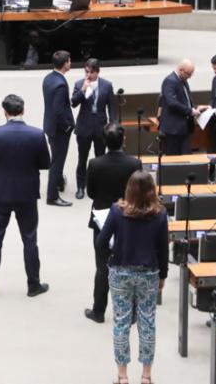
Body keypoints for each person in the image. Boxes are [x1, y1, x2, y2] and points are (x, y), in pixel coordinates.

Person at [96, 171, 169, 384]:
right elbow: (163, 249)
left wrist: (113, 253)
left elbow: (101, 241)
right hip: (148, 273)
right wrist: (162, 275)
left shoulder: (117, 211)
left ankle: (122, 375)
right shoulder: (160, 214)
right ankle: (146, 375)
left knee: (121, 322)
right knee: (148, 322)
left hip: (121, 272)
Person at [0, 94, 51, 297]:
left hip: (0, 194)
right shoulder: (37, 134)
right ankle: (33, 285)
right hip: (27, 195)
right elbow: (46, 163)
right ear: (23, 110)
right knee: (29, 240)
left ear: (5, 112)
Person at [84, 124, 142, 324]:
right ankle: (132, 311)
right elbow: (139, 190)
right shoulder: (134, 164)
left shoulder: (95, 164)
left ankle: (98, 311)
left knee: (102, 267)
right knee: (130, 265)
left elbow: (90, 192)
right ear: (123, 140)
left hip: (102, 218)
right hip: (129, 217)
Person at [71, 58, 118, 200]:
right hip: (84, 127)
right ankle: (80, 187)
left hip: (100, 128)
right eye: (86, 71)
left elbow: (112, 108)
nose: (88, 75)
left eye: (91, 72)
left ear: (97, 72)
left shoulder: (107, 85)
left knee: (100, 158)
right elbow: (73, 103)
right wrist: (83, 90)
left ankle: (99, 186)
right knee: (82, 158)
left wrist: (113, 126)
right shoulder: (79, 84)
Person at [42, 50, 74, 207]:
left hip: (50, 126)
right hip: (60, 130)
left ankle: (59, 182)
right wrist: (68, 126)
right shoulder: (61, 84)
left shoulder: (48, 78)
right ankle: (52, 196)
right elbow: (59, 111)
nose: (70, 63)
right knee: (57, 162)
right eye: (69, 61)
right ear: (65, 64)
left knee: (56, 157)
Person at [158, 59, 199, 156]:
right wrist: (190, 111)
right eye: (188, 74)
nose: (190, 77)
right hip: (173, 128)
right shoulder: (170, 81)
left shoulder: (183, 80)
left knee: (187, 156)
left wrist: (195, 107)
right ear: (181, 70)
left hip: (184, 127)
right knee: (173, 158)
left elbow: (185, 99)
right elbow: (172, 103)